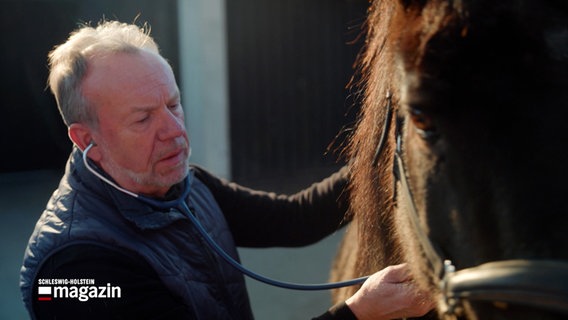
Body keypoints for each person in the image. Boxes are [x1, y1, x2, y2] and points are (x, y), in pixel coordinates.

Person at [20, 20, 433, 319]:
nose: (174, 130)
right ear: (83, 139)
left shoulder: (181, 184)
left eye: (173, 104)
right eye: (143, 119)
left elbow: (294, 219)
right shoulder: (74, 270)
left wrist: (393, 143)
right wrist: (358, 314)